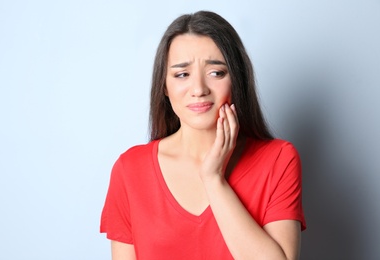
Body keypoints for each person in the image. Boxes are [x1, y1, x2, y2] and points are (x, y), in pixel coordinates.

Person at [100, 10, 306, 260]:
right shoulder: (130, 170)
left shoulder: (278, 160)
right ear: (164, 86)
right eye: (182, 74)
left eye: (216, 72)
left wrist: (213, 179)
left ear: (236, 80)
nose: (198, 89)